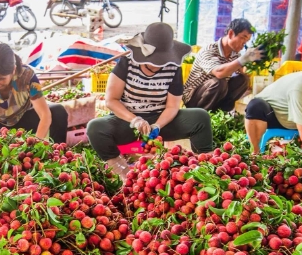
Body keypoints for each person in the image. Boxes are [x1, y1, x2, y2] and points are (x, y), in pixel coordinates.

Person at [87, 22, 213, 175]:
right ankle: (122, 172)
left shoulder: (174, 68)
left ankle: (205, 168)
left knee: (201, 117)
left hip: (161, 119)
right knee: (95, 127)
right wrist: (135, 120)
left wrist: (157, 126)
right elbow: (111, 100)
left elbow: (172, 106)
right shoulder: (127, 63)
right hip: (127, 121)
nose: (158, 65)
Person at [182, 18, 262, 112]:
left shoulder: (235, 54)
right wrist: (244, 59)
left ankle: (221, 113)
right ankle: (202, 116)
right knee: (219, 82)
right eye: (243, 38)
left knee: (243, 79)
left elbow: (244, 72)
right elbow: (219, 72)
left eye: (247, 40)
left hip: (215, 96)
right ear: (231, 33)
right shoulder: (210, 50)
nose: (244, 43)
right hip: (193, 98)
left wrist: (255, 61)